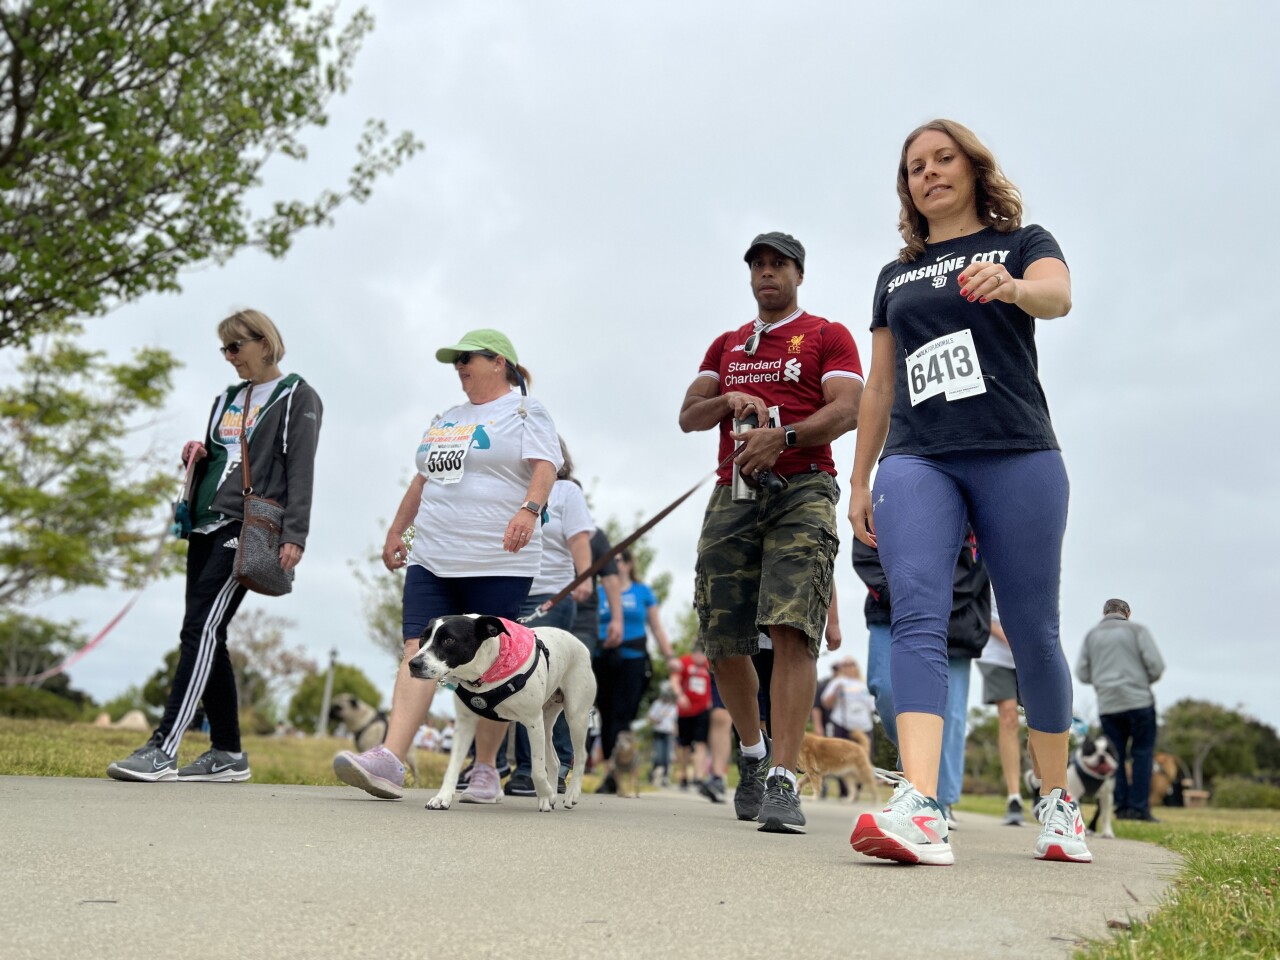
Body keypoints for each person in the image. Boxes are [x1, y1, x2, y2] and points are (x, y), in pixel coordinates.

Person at [847, 119, 1090, 866]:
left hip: (1017, 452)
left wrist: (1014, 288)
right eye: (914, 166)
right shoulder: (896, 276)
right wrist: (859, 476)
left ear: (974, 167)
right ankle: (922, 805)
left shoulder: (1022, 243)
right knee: (916, 612)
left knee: (1032, 628)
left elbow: (1059, 297)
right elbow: (881, 383)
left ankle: (1057, 800)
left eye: (942, 158)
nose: (928, 173)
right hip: (920, 459)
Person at [679, 230, 863, 833]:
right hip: (732, 493)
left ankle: (785, 777)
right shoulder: (728, 343)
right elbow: (688, 416)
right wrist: (729, 398)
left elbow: (850, 409)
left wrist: (781, 437)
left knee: (791, 627)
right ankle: (753, 757)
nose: (766, 273)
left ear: (798, 274)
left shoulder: (826, 335)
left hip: (803, 487)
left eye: (778, 264)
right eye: (757, 264)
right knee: (723, 638)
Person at [333, 328, 561, 801]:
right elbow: (422, 481)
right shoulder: (446, 419)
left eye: (467, 358)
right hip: (434, 555)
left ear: (499, 362)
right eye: (454, 360)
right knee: (417, 647)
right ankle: (390, 760)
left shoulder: (525, 410)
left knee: (491, 661)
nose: (459, 366)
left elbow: (545, 467)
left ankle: (483, 769)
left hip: (499, 558)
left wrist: (529, 510)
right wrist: (398, 531)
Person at [108, 309, 323, 782]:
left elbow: (300, 468)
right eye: (223, 349)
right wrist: (197, 456)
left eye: (235, 347)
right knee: (208, 631)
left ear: (263, 343)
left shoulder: (296, 397)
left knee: (199, 629)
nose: (229, 358)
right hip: (204, 523)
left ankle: (163, 747)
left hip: (248, 526)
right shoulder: (226, 398)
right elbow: (224, 454)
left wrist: (296, 534)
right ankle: (227, 752)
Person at [504, 437, 597, 797]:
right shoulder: (506, 485)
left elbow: (579, 538)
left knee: (545, 689)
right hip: (508, 594)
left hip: (550, 595)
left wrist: (584, 576)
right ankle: (492, 765)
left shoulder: (565, 492)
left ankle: (539, 769)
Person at [593, 549, 675, 792]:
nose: (613, 564)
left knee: (623, 714)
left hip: (633, 660)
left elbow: (657, 627)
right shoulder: (599, 592)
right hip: (602, 659)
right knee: (605, 714)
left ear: (628, 564)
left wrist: (669, 656)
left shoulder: (643, 592)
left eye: (617, 560)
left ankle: (617, 771)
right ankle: (609, 768)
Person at [1076, 599, 1166, 822]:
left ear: (1104, 612)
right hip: (1139, 701)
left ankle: (1120, 807)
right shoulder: (1138, 631)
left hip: (1109, 705)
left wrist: (1103, 681)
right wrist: (1141, 681)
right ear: (1128, 613)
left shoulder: (1091, 636)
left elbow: (1082, 673)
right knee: (1142, 754)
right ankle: (1139, 809)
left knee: (1114, 756)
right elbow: (1157, 666)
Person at [935, 529, 991, 829]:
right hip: (924, 623)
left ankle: (944, 800)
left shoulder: (979, 532)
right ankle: (919, 788)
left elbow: (978, 578)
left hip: (961, 632)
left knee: (954, 717)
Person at [977, 600, 1027, 825]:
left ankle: (1041, 784)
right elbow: (980, 612)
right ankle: (1014, 796)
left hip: (1030, 655)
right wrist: (1013, 641)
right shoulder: (982, 566)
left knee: (1039, 720)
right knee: (1009, 716)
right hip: (996, 655)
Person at [670, 646, 714, 790]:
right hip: (685, 710)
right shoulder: (685, 661)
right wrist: (679, 696)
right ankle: (683, 775)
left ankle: (699, 776)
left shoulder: (709, 664)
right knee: (684, 744)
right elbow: (674, 680)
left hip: (703, 710)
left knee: (701, 742)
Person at [646, 688, 677, 786]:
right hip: (658, 732)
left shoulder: (673, 706)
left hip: (669, 733)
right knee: (659, 756)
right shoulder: (657, 704)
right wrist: (656, 721)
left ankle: (665, 777)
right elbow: (650, 717)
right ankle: (652, 772)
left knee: (667, 757)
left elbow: (675, 721)